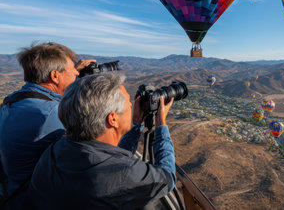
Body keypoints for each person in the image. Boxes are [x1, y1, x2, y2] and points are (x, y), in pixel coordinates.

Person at [28, 73, 176, 209]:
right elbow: (167, 178)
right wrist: (161, 124)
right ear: (112, 119)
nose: (132, 105)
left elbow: (112, 158)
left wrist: (136, 125)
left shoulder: (55, 150)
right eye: (128, 103)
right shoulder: (125, 173)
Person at [0, 42, 95, 209]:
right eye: (72, 69)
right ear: (55, 76)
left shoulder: (14, 99)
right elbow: (93, 159)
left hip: (11, 195)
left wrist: (74, 74)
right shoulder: (53, 114)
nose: (76, 72)